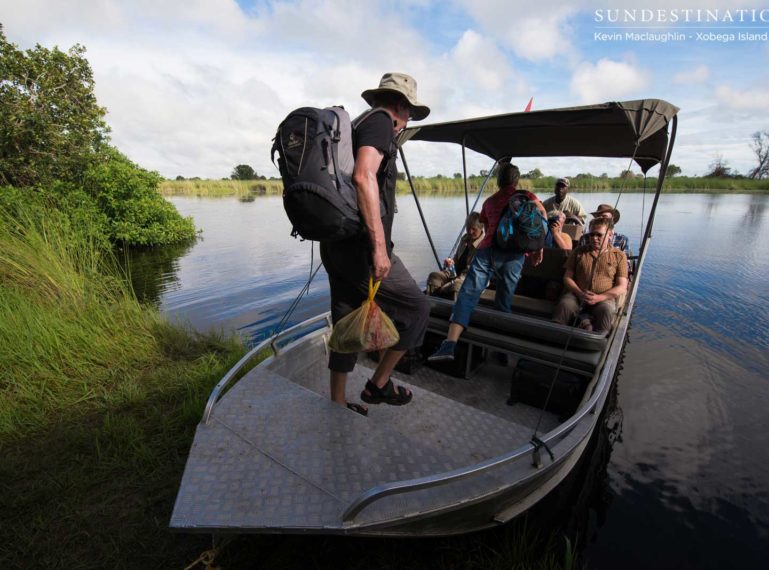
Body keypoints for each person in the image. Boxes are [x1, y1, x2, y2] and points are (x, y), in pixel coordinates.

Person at [319, 72, 431, 415]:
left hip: (336, 245)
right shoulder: (382, 123)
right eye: (409, 113)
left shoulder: (358, 124)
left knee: (347, 322)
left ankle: (338, 401)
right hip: (362, 251)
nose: (407, 121)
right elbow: (364, 175)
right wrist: (380, 250)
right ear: (401, 105)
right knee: (418, 309)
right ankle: (378, 385)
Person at [428, 162, 545, 361]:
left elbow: (487, 224)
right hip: (514, 254)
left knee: (468, 293)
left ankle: (450, 344)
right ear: (516, 180)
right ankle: (500, 351)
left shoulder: (489, 202)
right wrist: (537, 247)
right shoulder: (527, 196)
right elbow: (540, 220)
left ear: (499, 181)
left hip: (488, 250)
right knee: (504, 300)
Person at [552, 217, 628, 333]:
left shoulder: (619, 256)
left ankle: (599, 339)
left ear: (610, 235)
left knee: (606, 310)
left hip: (604, 298)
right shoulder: (579, 251)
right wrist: (580, 293)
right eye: (591, 235)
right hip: (577, 294)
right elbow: (567, 277)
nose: (594, 238)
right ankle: (556, 333)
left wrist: (600, 297)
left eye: (599, 235)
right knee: (565, 304)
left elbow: (621, 286)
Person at [427, 212, 485, 298]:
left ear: (481, 228)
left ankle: (453, 310)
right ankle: (433, 307)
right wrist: (450, 263)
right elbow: (456, 259)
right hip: (456, 274)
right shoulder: (465, 239)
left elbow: (474, 272)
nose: (470, 231)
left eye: (474, 229)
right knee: (433, 277)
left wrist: (454, 281)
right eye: (468, 228)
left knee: (456, 285)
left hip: (473, 279)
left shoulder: (484, 245)